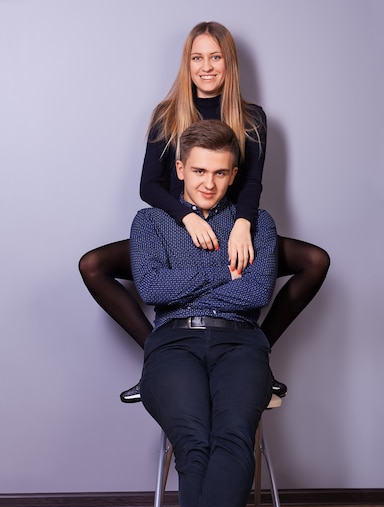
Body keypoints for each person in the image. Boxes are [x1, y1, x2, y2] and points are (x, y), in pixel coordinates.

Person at [78, 21, 330, 403]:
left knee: (315, 260)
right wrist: (187, 216)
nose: (207, 66)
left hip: (233, 224)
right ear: (187, 63)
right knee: (93, 264)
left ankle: (259, 352)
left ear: (229, 63)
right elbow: (149, 186)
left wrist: (244, 225)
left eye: (216, 57)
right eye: (198, 57)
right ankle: (156, 357)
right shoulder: (167, 115)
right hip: (177, 232)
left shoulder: (252, 118)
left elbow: (251, 184)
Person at [131, 118, 276, 507]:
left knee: (234, 432)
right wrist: (226, 269)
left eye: (219, 173)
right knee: (193, 437)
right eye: (198, 171)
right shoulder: (149, 222)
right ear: (180, 169)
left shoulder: (258, 224)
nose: (208, 183)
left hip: (241, 342)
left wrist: (185, 277)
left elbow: (255, 294)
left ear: (234, 174)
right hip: (173, 343)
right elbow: (152, 289)